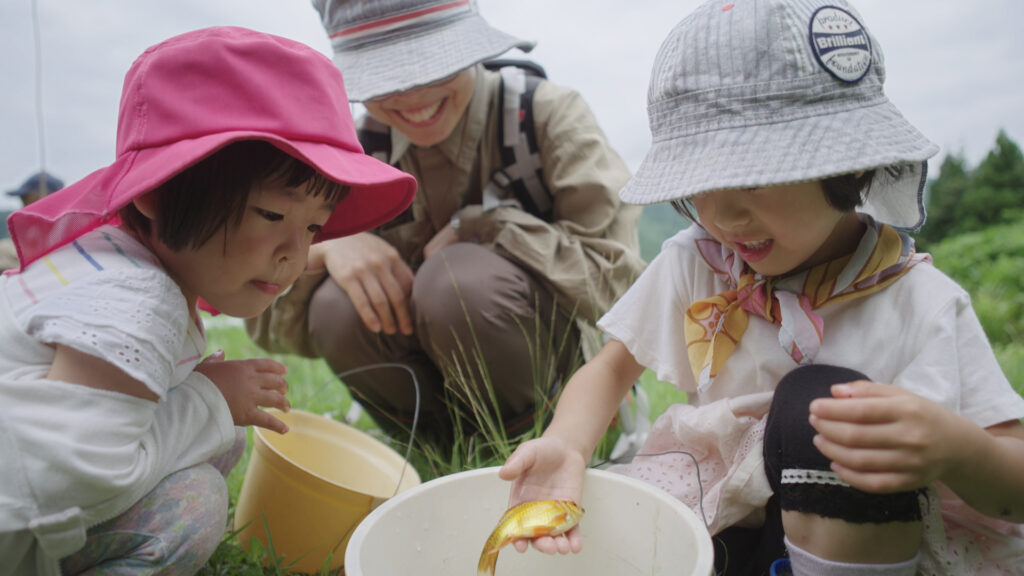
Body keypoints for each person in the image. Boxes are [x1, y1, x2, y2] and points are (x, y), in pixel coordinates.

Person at [497, 1, 1024, 575]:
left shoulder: (920, 303)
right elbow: (609, 370)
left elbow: (1012, 485)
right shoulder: (698, 262)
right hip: (727, 522)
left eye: (753, 176)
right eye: (700, 182)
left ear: (847, 164)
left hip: (863, 548)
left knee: (819, 404)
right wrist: (567, 444)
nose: (722, 213)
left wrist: (958, 450)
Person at [0, 26, 414, 576]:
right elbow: (70, 480)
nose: (295, 252)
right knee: (197, 504)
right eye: (271, 215)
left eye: (314, 226)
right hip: (23, 518)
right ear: (159, 191)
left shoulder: (113, 259)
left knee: (223, 442)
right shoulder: (133, 301)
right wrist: (208, 400)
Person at [246, 0, 646, 441]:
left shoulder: (548, 117)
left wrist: (488, 225)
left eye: (436, 65)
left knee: (455, 281)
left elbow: (619, 289)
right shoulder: (352, 156)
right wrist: (323, 246)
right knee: (335, 303)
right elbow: (262, 321)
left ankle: (538, 435)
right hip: (424, 392)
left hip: (554, 377)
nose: (413, 96)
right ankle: (439, 450)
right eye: (384, 79)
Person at [0, 171, 64, 272]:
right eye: (23, 201)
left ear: (45, 199)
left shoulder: (62, 232)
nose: (23, 207)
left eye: (27, 200)